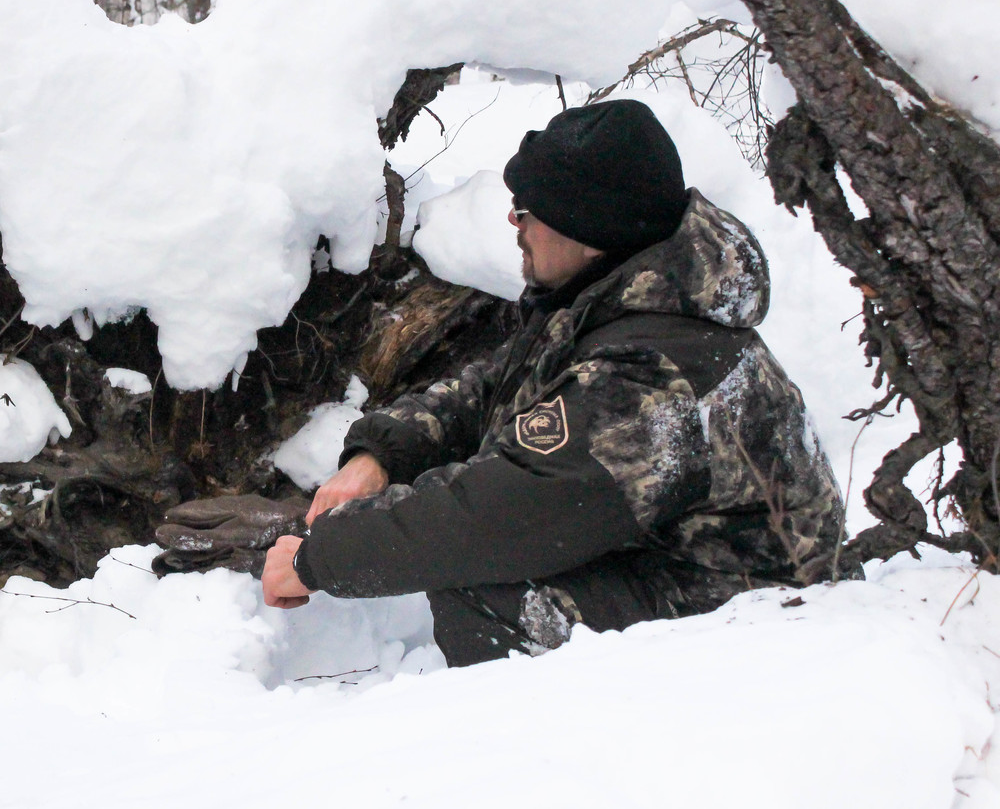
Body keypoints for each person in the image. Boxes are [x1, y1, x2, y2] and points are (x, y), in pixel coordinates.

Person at [261, 99, 847, 666]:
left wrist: (320, 560)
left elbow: (496, 519)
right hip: (672, 563)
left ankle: (549, 759)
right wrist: (381, 454)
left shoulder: (656, 376)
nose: (514, 225)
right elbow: (493, 390)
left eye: (528, 212)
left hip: (766, 622)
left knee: (491, 593)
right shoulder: (613, 297)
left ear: (585, 228)